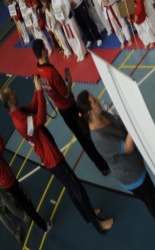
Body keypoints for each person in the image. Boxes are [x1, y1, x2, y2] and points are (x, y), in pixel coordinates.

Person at [1, 80, 113, 233]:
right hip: (52, 158)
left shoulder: (18, 112)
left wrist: (36, 89)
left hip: (50, 155)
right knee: (76, 187)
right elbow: (40, 118)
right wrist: (39, 91)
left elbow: (32, 107)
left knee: (71, 188)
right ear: (9, 101)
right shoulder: (20, 121)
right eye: (12, 93)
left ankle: (88, 216)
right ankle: (98, 224)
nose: (15, 92)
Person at [76, 91, 155, 236]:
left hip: (136, 165)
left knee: (152, 195)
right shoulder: (100, 138)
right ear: (90, 113)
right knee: (152, 201)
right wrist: (133, 123)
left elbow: (121, 127)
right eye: (94, 101)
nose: (98, 99)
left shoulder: (103, 115)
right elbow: (128, 147)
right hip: (131, 176)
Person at [32, 40, 110, 175]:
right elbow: (66, 94)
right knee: (86, 135)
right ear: (43, 51)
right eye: (45, 47)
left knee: (82, 137)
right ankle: (103, 163)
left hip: (62, 110)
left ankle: (101, 164)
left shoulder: (37, 71)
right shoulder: (51, 72)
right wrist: (69, 82)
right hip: (70, 108)